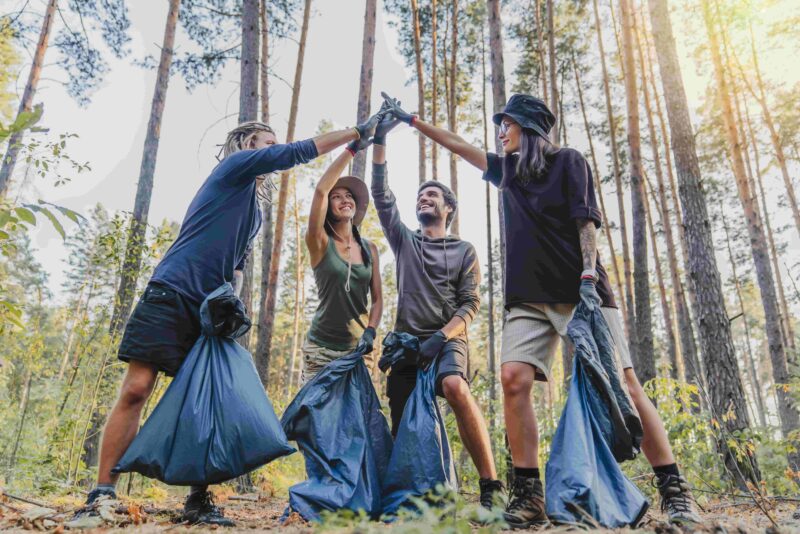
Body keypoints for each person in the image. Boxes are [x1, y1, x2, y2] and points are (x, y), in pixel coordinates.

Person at [380, 92, 701, 528]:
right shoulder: (507, 172)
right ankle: (528, 494)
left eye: (505, 124)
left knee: (624, 383)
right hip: (527, 298)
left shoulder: (568, 161)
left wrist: (588, 274)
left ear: (527, 126)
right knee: (513, 378)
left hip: (580, 291)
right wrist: (413, 121)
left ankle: (674, 489)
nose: (499, 133)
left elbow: (585, 220)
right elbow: (458, 144)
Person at [77, 113, 384, 527]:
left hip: (211, 310)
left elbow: (237, 264)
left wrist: (232, 299)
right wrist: (356, 134)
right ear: (244, 145)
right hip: (173, 290)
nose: (270, 150)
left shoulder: (254, 212)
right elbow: (295, 153)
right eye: (264, 143)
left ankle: (198, 500)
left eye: (272, 144)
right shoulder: (232, 168)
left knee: (208, 403)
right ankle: (103, 493)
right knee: (136, 387)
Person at [370, 109, 506, 510]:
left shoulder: (464, 250)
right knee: (401, 417)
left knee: (454, 387)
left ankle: (491, 488)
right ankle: (412, 498)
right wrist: (380, 139)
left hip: (447, 339)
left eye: (431, 195)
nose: (423, 198)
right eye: (419, 196)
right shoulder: (405, 242)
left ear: (448, 208)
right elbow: (381, 195)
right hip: (406, 343)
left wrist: (441, 338)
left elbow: (471, 303)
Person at [301, 132, 382, 381]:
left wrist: (370, 331)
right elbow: (320, 191)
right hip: (320, 350)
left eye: (348, 196)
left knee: (356, 420)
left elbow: (377, 299)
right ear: (328, 206)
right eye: (337, 196)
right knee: (312, 420)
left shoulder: (370, 249)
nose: (344, 199)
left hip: (357, 352)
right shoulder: (319, 241)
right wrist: (352, 148)